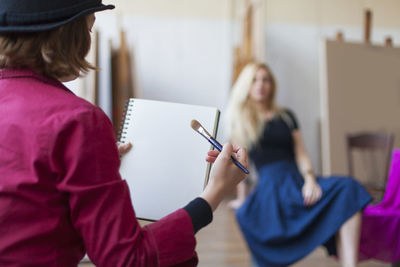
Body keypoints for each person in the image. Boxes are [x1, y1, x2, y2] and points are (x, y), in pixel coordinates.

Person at [0, 1, 248, 266]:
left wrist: (89, 165)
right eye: (89, 29)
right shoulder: (77, 120)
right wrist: (214, 192)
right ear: (68, 35)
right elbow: (128, 258)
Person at [225, 62, 372, 267]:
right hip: (270, 188)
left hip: (296, 179)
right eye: (254, 80)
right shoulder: (240, 120)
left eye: (265, 79)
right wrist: (242, 198)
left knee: (349, 188)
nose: (260, 84)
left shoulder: (286, 116)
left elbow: (301, 154)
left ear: (272, 85)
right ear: (246, 86)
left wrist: (310, 180)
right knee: (260, 225)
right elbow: (240, 165)